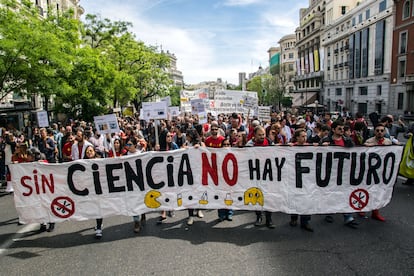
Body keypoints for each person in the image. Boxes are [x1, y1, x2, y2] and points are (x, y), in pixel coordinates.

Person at [320, 121, 359, 229]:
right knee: (330, 193)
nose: (342, 131)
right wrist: (322, 147)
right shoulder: (326, 140)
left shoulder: (347, 141)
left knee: (345, 193)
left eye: (343, 129)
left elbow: (356, 152)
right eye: (339, 129)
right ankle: (329, 212)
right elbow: (317, 155)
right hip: (330, 172)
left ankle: (348, 216)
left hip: (344, 172)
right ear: (333, 130)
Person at [245, 126, 275, 229]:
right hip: (255, 175)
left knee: (269, 197)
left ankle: (269, 219)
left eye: (263, 135)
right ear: (254, 135)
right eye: (260, 135)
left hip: (267, 174)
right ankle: (258, 216)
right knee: (256, 196)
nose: (262, 137)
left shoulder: (270, 143)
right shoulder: (250, 145)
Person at [361, 123, 391, 222]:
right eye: (377, 130)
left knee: (378, 192)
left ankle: (375, 212)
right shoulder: (369, 141)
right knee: (367, 190)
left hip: (382, 172)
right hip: (370, 171)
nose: (379, 132)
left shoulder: (388, 142)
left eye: (382, 131)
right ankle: (363, 208)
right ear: (374, 132)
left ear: (384, 132)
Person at [288, 129, 313, 232]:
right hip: (294, 178)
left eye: (305, 136)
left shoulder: (309, 147)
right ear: (297, 137)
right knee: (295, 198)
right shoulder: (292, 147)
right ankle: (294, 218)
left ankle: (305, 221)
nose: (304, 138)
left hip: (306, 178)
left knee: (306, 199)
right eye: (302, 136)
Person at [156, 130, 179, 224]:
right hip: (162, 173)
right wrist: (156, 151)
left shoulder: (174, 146)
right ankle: (163, 212)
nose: (169, 138)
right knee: (162, 192)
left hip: (172, 172)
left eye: (170, 136)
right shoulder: (159, 147)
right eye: (167, 136)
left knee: (171, 191)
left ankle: (171, 208)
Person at [184, 128, 205, 226]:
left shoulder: (200, 143)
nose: (186, 137)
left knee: (199, 192)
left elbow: (205, 151)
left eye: (187, 135)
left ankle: (199, 209)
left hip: (198, 172)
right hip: (188, 172)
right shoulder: (186, 143)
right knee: (190, 193)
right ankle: (190, 215)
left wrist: (199, 147)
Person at [125, 137, 146, 233]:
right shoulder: (125, 155)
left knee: (141, 199)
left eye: (130, 144)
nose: (128, 147)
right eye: (127, 145)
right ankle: (136, 222)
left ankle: (142, 213)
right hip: (130, 182)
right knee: (133, 201)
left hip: (140, 181)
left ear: (135, 145)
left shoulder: (140, 154)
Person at [83, 145, 104, 238]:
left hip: (99, 189)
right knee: (93, 208)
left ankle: (99, 228)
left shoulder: (99, 162)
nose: (89, 153)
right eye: (87, 152)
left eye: (91, 151)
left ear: (94, 152)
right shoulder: (82, 163)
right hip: (89, 189)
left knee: (98, 208)